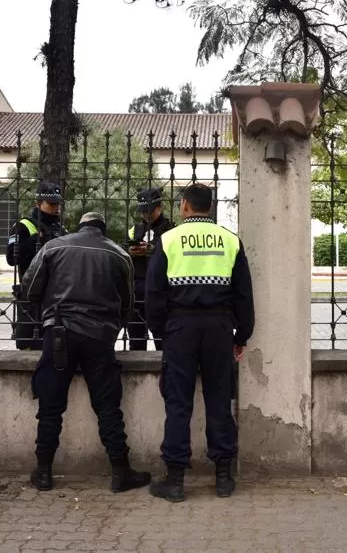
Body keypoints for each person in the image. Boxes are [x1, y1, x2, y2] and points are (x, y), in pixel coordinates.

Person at [20, 211, 151, 493]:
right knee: (107, 406)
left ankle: (43, 472)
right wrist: (111, 327)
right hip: (99, 337)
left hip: (58, 333)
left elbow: (29, 288)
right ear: (102, 230)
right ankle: (120, 471)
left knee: (50, 406)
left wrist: (44, 319)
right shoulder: (118, 254)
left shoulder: (54, 247)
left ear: (80, 226)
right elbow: (128, 304)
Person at [144, 183, 255, 502]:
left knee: (178, 401)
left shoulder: (168, 239)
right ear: (210, 206)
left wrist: (160, 332)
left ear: (185, 206)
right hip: (219, 326)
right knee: (220, 399)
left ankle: (176, 480)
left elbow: (154, 293)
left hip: (180, 326)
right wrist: (242, 334)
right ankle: (223, 477)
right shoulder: (230, 240)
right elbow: (243, 294)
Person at [7, 181, 65, 350]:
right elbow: (12, 258)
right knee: (30, 343)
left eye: (58, 204)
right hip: (32, 292)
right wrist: (35, 240)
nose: (56, 208)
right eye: (52, 204)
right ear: (38, 203)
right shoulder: (23, 226)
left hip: (56, 292)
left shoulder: (59, 228)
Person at [125, 187, 175, 351]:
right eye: (143, 211)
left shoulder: (171, 229)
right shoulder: (135, 230)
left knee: (163, 340)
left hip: (161, 291)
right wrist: (130, 251)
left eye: (149, 211)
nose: (145, 215)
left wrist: (153, 249)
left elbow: (174, 255)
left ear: (159, 207)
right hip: (137, 291)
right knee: (136, 340)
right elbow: (124, 252)